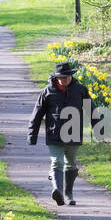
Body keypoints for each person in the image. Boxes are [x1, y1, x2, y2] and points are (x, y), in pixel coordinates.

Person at [27, 62, 90, 205]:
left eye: (67, 77)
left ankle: (68, 193)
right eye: (62, 77)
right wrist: (32, 135)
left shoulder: (80, 90)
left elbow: (91, 110)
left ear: (71, 76)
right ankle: (58, 191)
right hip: (54, 134)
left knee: (71, 165)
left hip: (74, 134)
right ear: (57, 77)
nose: (65, 80)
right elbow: (37, 114)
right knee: (57, 162)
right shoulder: (48, 91)